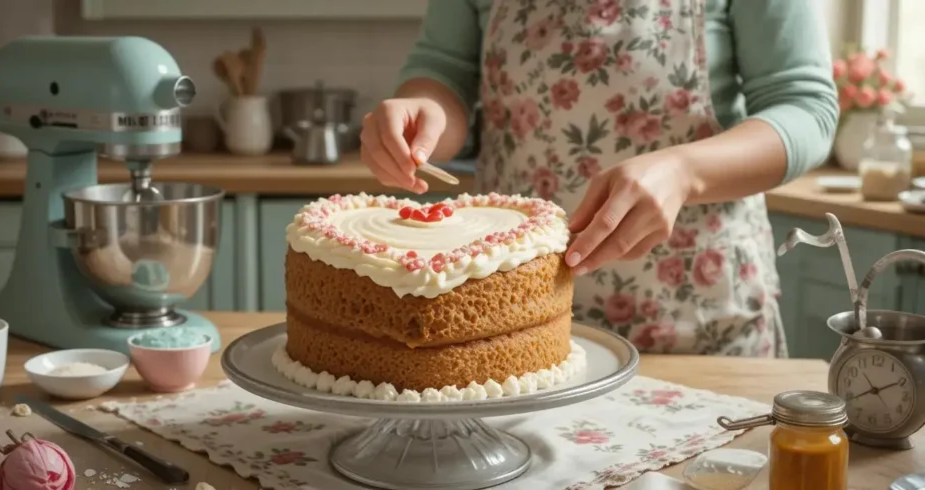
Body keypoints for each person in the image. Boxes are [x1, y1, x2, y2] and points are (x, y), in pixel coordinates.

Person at [359, 0, 839, 357]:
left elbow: (805, 107)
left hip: (701, 328)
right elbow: (444, 70)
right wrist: (422, 115)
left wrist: (684, 171)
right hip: (515, 320)